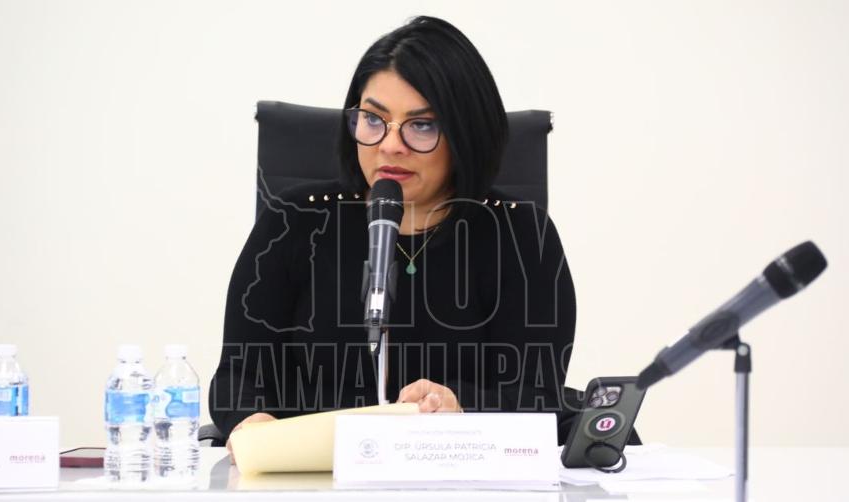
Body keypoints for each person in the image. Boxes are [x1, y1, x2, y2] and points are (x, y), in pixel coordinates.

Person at [209, 16, 577, 451]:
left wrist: (461, 406)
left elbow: (538, 395)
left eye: (421, 125)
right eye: (373, 119)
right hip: (315, 473)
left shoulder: (520, 234)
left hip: (459, 472)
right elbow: (237, 374)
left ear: (466, 133)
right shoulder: (296, 218)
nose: (389, 145)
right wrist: (251, 422)